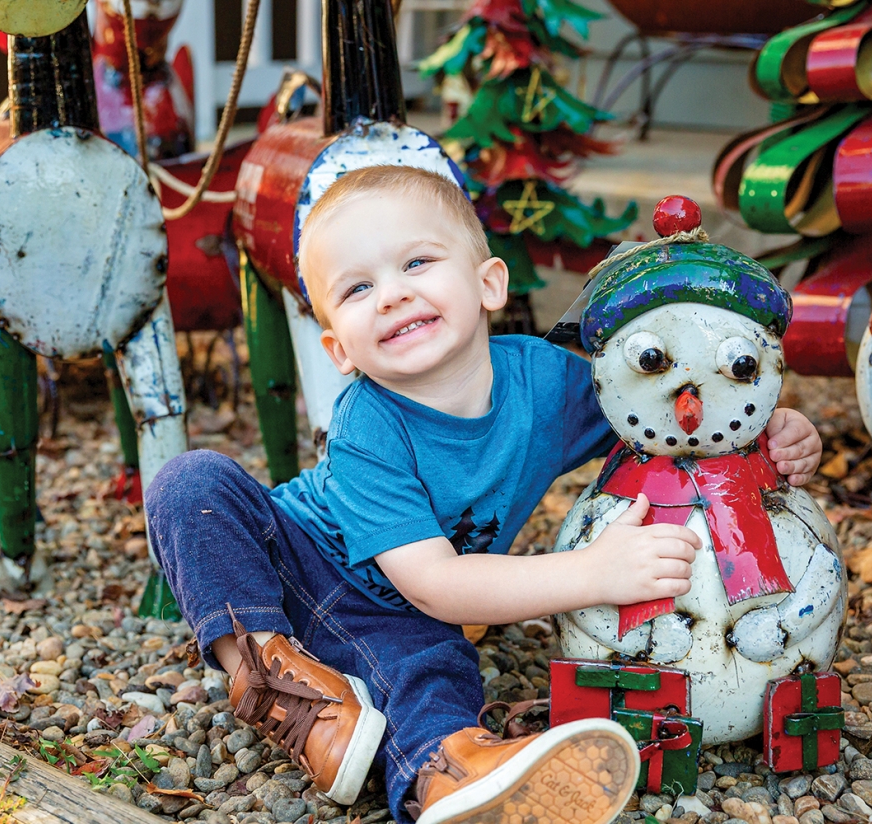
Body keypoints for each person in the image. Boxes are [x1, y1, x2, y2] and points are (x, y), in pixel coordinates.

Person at [146, 165, 823, 824]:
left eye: (416, 263)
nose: (391, 294)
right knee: (192, 484)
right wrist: (592, 574)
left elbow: (659, 422)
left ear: (488, 283)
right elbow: (436, 584)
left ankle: (452, 780)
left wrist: (769, 432)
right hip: (295, 564)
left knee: (437, 674)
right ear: (338, 349)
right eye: (357, 288)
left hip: (399, 621)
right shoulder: (366, 426)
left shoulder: (547, 384)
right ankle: (272, 680)